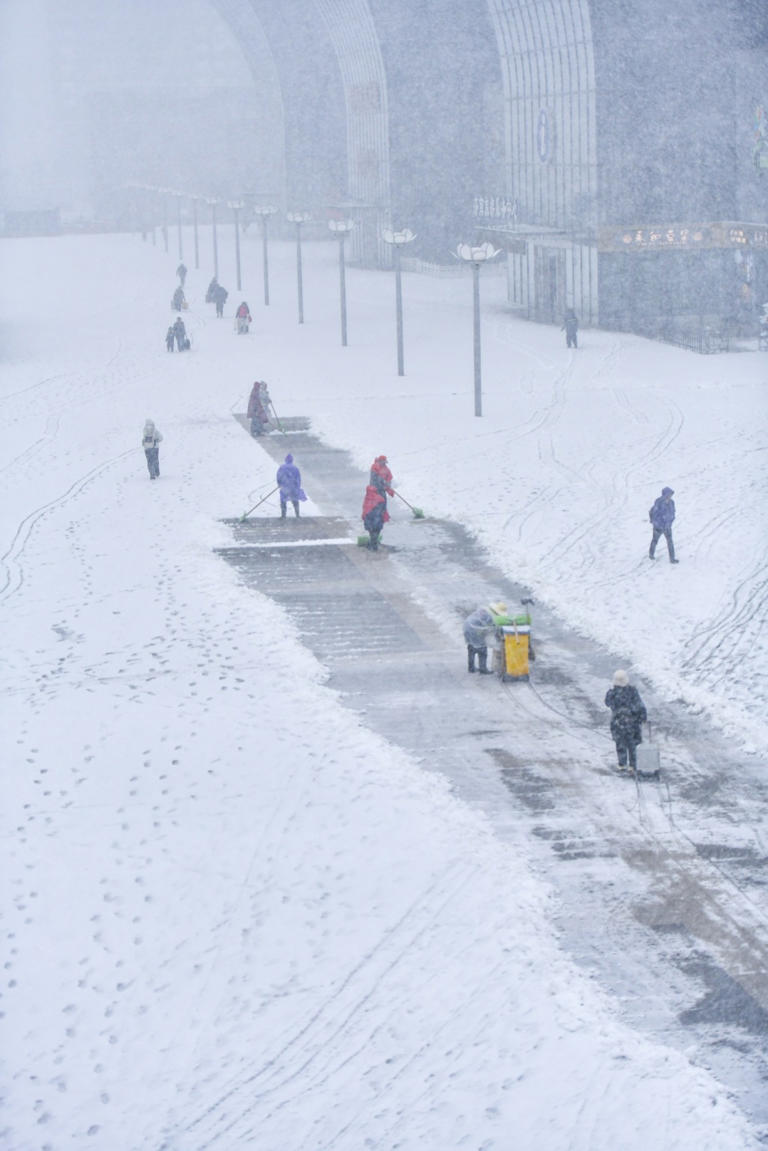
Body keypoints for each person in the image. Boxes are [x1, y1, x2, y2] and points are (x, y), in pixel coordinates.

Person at [604, 670, 647, 770]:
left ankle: (622, 764)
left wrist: (610, 692)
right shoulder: (632, 691)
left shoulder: (613, 693)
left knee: (620, 743)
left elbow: (607, 703)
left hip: (617, 723)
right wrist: (642, 716)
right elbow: (639, 705)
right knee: (633, 744)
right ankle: (633, 764)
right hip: (633, 723)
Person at [462, 602, 506, 675]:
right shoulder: (491, 616)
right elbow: (491, 629)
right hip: (474, 629)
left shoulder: (486, 610)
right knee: (482, 650)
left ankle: (471, 668)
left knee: (471, 648)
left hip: (467, 626)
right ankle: (483, 669)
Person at [649, 486, 679, 563]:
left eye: (671, 495)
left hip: (667, 526)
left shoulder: (672, 502)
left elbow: (673, 512)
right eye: (668, 495)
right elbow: (654, 513)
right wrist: (656, 522)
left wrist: (671, 520)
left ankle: (672, 559)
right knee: (655, 540)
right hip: (658, 526)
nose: (670, 496)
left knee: (670, 542)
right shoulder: (658, 502)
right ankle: (651, 554)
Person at [276, 454, 306, 518]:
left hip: (285, 487)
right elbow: (298, 478)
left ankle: (283, 515)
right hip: (293, 487)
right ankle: (297, 514)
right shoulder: (295, 468)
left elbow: (279, 476)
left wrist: (279, 483)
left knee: (283, 501)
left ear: (285, 460)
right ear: (292, 460)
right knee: (295, 501)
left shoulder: (282, 467)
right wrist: (298, 486)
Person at [362, 484, 389, 550]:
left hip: (370, 521)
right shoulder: (380, 499)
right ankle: (373, 544)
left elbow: (365, 511)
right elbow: (383, 510)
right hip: (378, 521)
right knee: (375, 533)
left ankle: (372, 545)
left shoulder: (367, 499)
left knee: (372, 534)